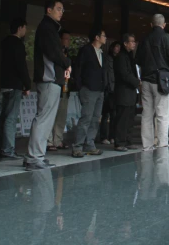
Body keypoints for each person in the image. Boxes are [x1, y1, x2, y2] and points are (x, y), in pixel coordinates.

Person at [24, 0, 71, 171]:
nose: (61, 12)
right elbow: (53, 52)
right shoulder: (47, 28)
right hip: (49, 78)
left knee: (44, 117)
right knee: (44, 117)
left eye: (62, 9)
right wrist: (67, 62)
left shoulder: (49, 28)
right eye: (59, 8)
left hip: (50, 78)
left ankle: (37, 155)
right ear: (48, 10)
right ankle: (34, 156)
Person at [137, 13, 169, 151]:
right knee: (162, 113)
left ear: (151, 24)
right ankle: (162, 144)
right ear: (164, 25)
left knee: (147, 113)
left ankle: (147, 146)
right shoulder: (166, 37)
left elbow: (138, 59)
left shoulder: (144, 39)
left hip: (146, 79)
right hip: (162, 80)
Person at [0, 17, 31, 161]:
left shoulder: (5, 43)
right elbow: (21, 66)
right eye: (25, 28)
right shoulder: (18, 44)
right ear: (20, 28)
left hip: (4, 83)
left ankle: (1, 148)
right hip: (14, 84)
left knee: (3, 117)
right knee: (11, 117)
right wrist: (27, 84)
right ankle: (8, 150)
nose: (26, 31)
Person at [71, 26, 107, 158]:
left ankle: (89, 144)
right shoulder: (85, 50)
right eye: (103, 35)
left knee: (95, 118)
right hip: (88, 89)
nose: (105, 38)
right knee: (86, 117)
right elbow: (78, 69)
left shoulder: (102, 52)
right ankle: (77, 146)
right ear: (97, 37)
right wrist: (80, 87)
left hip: (99, 90)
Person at [113, 33, 140, 151]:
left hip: (131, 92)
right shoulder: (121, 57)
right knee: (122, 118)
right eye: (131, 41)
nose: (134, 43)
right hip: (123, 92)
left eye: (134, 41)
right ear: (125, 43)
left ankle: (128, 140)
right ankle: (119, 142)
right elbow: (124, 74)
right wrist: (137, 82)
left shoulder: (130, 56)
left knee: (130, 118)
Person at [47, 30, 71, 151]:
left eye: (68, 39)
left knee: (61, 115)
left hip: (65, 88)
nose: (68, 42)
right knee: (52, 115)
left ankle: (58, 139)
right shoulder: (56, 53)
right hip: (56, 84)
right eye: (66, 39)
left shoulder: (68, 54)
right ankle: (49, 140)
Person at [100, 41, 120, 145]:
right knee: (105, 114)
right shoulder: (108, 59)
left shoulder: (119, 59)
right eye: (116, 47)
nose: (117, 49)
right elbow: (106, 74)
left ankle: (112, 136)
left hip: (115, 89)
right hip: (108, 90)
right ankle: (103, 136)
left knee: (114, 115)